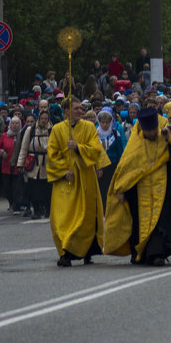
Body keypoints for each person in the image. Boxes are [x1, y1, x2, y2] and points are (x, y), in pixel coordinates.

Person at [105, 107, 171, 266]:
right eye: (147, 131)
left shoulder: (165, 137)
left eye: (152, 130)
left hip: (164, 191)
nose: (150, 134)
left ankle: (158, 254)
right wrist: (121, 188)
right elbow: (126, 167)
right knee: (139, 223)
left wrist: (170, 139)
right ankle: (141, 253)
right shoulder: (136, 143)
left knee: (161, 224)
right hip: (140, 193)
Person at [46, 98, 111, 267]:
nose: (80, 112)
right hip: (65, 180)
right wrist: (62, 170)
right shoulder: (57, 130)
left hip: (84, 177)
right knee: (62, 217)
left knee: (86, 216)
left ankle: (87, 250)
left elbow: (96, 149)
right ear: (66, 111)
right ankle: (65, 251)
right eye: (76, 109)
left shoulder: (89, 127)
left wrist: (78, 147)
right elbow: (52, 155)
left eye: (81, 109)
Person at [18, 107, 53, 219]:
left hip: (47, 163)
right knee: (34, 188)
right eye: (42, 118)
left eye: (45, 119)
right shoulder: (30, 130)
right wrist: (20, 163)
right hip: (34, 164)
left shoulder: (52, 130)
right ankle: (37, 211)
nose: (43, 120)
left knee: (47, 189)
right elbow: (24, 148)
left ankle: (48, 210)